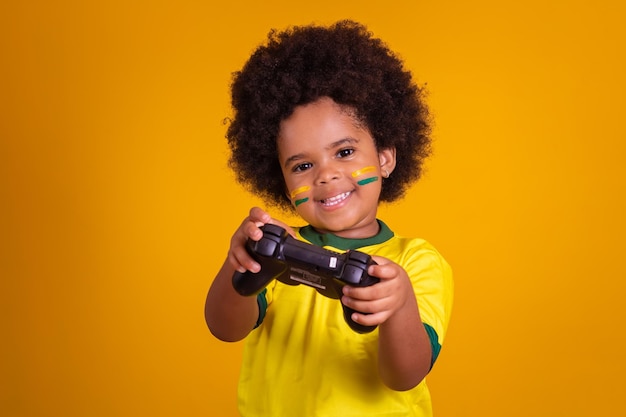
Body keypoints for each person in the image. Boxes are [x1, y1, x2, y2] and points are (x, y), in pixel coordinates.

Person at [205, 20, 453, 417]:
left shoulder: (413, 263)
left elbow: (405, 375)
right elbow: (224, 328)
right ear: (282, 183)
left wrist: (399, 303)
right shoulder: (278, 248)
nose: (325, 175)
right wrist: (242, 267)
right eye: (302, 165)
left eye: (344, 153)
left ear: (385, 158)